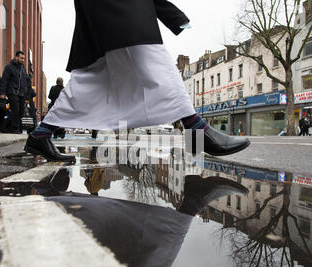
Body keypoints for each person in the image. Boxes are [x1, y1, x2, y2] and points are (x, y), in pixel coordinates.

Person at [24, 0, 250, 162]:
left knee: (90, 81)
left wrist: (171, 15)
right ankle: (196, 129)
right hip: (118, 9)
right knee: (156, 65)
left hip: (109, 11)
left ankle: (41, 135)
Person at [0, 51, 30, 133]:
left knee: (21, 111)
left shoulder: (23, 68)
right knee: (15, 110)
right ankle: (15, 129)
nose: (23, 60)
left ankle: (14, 127)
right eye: (21, 58)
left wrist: (27, 96)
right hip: (12, 92)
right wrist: (2, 92)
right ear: (16, 57)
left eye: (24, 58)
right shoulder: (9, 67)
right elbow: (4, 80)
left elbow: (25, 82)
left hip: (22, 93)